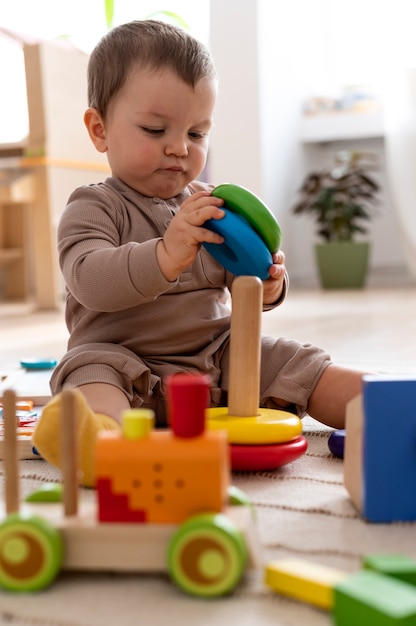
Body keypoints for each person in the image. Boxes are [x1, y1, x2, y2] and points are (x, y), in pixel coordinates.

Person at [33, 20, 365, 486]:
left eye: (196, 133)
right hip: (126, 364)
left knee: (295, 362)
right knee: (88, 373)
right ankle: (100, 445)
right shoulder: (93, 205)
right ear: (99, 129)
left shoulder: (212, 205)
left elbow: (241, 280)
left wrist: (267, 284)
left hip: (217, 362)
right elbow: (89, 280)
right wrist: (165, 255)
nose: (178, 148)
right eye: (155, 129)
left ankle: (382, 404)